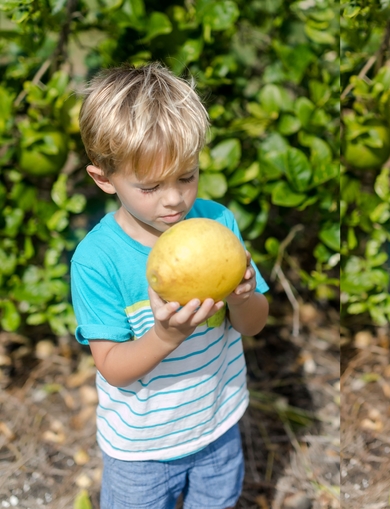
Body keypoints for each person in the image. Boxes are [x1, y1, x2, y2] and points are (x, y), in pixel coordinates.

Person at [70, 62, 269, 509]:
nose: (175, 198)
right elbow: (113, 367)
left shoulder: (217, 223)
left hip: (218, 425)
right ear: (104, 179)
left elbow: (253, 324)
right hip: (141, 452)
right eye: (151, 186)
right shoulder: (97, 260)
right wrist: (165, 336)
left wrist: (243, 297)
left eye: (186, 176)